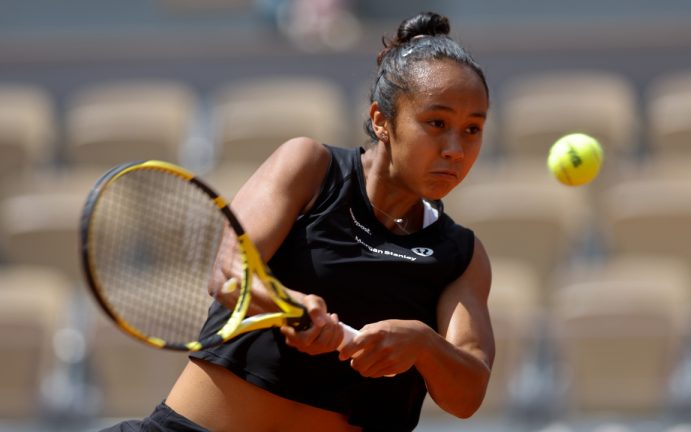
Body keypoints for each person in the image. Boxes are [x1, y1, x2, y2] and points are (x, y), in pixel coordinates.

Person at [104, 10, 494, 432]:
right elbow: (231, 275)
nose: (456, 148)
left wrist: (424, 344)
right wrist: (288, 306)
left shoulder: (462, 255)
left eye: (472, 130)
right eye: (436, 123)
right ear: (382, 121)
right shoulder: (310, 166)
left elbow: (467, 394)